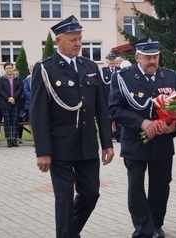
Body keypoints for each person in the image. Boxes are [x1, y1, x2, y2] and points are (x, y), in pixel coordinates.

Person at [30, 15, 114, 238]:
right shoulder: (45, 68)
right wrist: (43, 151)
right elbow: (38, 113)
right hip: (60, 147)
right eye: (73, 39)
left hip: (87, 144)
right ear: (58, 41)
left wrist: (107, 143)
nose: (78, 43)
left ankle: (69, 232)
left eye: (80, 39)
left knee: (91, 193)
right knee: (64, 198)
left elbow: (101, 109)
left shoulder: (89, 66)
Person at [108, 36, 176, 238]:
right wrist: (141, 122)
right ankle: (143, 228)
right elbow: (113, 109)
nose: (152, 61)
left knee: (161, 184)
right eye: (147, 57)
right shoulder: (123, 77)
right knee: (136, 186)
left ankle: (156, 224)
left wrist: (174, 125)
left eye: (155, 56)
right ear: (137, 57)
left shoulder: (170, 76)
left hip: (162, 142)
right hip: (135, 141)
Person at [0, 62, 23, 147]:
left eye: (10, 68)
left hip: (16, 103)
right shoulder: (1, 79)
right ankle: (9, 140)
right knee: (7, 122)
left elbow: (20, 89)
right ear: (4, 70)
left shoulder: (18, 78)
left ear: (13, 68)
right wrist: (8, 98)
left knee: (15, 122)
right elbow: (0, 90)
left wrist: (14, 98)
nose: (9, 69)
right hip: (5, 103)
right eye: (7, 68)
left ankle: (14, 140)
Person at [100, 52, 121, 141]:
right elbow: (101, 85)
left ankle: (119, 136)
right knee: (107, 120)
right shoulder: (103, 71)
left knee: (118, 119)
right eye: (110, 60)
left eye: (113, 60)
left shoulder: (120, 70)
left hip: (118, 99)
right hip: (106, 98)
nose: (111, 62)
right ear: (107, 61)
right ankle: (108, 137)